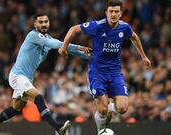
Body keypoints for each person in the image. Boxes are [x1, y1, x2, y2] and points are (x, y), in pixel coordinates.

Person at [0, 13, 91, 135]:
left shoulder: (48, 38)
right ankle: (57, 127)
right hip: (17, 76)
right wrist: (72, 46)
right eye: (40, 22)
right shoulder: (33, 35)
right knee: (38, 97)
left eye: (46, 21)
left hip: (27, 78)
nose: (44, 24)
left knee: (16, 108)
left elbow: (65, 46)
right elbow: (58, 45)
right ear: (35, 24)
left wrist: (85, 53)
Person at [58, 0, 151, 132]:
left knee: (123, 108)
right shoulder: (97, 26)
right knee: (102, 109)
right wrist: (63, 47)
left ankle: (110, 107)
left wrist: (143, 56)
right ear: (106, 13)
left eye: (116, 11)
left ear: (120, 13)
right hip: (97, 72)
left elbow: (134, 37)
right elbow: (74, 29)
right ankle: (101, 131)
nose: (113, 14)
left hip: (115, 73)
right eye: (111, 11)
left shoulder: (125, 27)